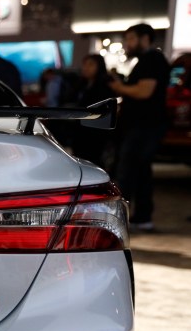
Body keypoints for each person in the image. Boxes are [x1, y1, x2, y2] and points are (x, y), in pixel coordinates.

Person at [109, 23, 170, 232]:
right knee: (140, 170)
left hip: (145, 125)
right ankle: (140, 217)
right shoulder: (149, 60)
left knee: (130, 170)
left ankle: (125, 218)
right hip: (143, 125)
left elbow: (144, 91)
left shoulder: (152, 59)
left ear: (145, 38)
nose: (128, 43)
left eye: (131, 38)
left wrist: (120, 87)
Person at [71, 54, 116, 168]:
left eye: (90, 65)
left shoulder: (105, 85)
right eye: (84, 64)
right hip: (80, 130)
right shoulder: (81, 84)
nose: (86, 68)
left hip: (96, 132)